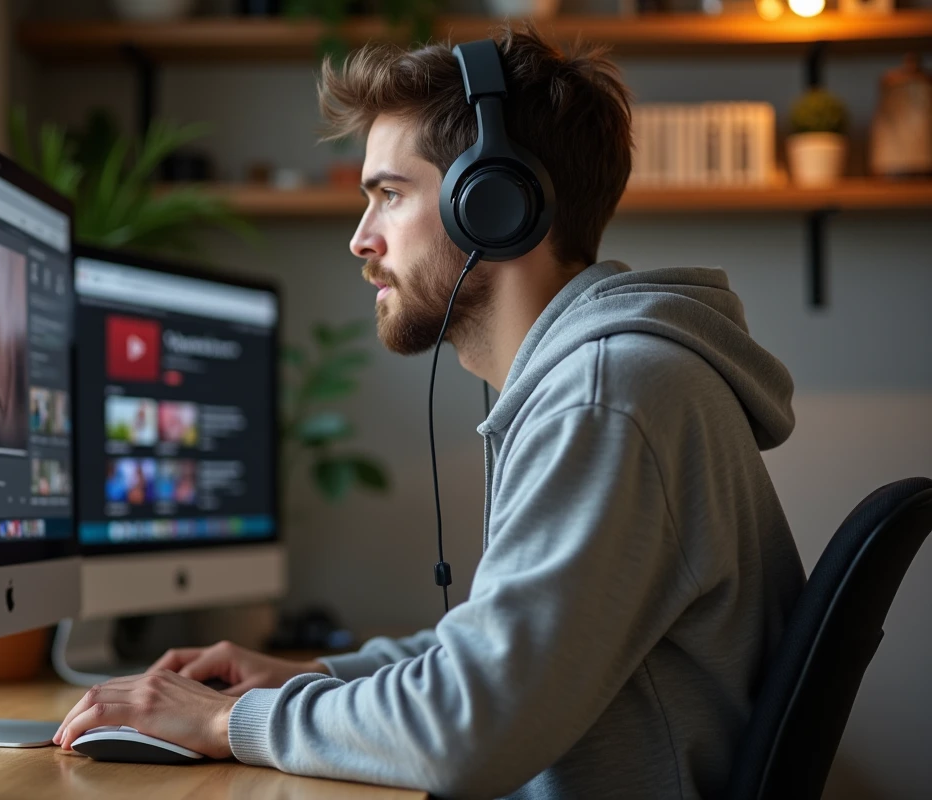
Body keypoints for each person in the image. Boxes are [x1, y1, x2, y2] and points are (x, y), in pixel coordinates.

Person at [53, 24, 806, 799]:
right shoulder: (608, 379)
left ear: (496, 204)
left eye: (388, 194)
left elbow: (466, 729)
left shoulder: (607, 395)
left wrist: (226, 723)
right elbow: (496, 659)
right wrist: (314, 674)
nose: (361, 240)